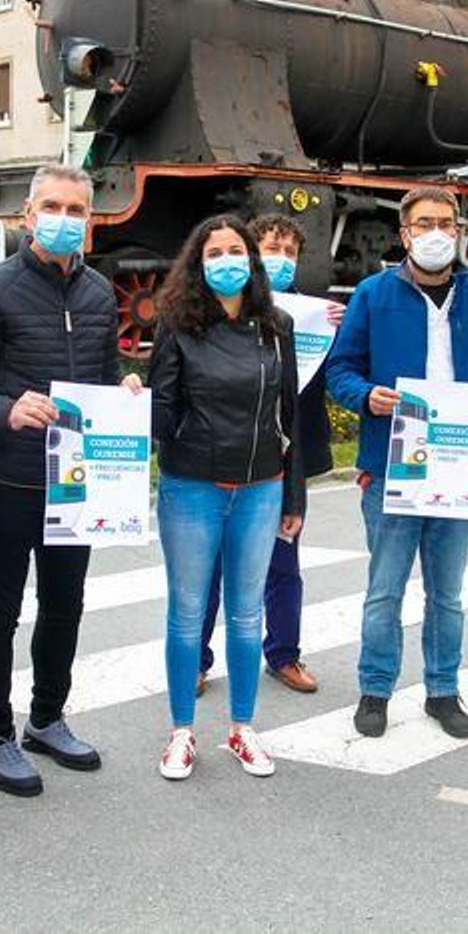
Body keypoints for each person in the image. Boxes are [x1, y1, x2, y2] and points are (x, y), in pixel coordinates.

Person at [0, 163, 137, 797]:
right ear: (28, 215)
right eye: (52, 207)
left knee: (64, 606)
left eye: (76, 210)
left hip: (74, 485)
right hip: (8, 480)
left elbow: (105, 376)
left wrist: (124, 389)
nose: (63, 219)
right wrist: (7, 411)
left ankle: (47, 718)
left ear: (90, 220)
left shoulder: (99, 293)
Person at [324, 186, 468, 740]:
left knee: (447, 595)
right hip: (393, 466)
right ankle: (375, 690)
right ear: (405, 234)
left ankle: (442, 691)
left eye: (446, 223)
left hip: (458, 467)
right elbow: (341, 369)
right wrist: (366, 396)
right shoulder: (373, 294)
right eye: (425, 223)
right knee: (385, 590)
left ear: (459, 231)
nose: (437, 233)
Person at [149, 214, 304, 780]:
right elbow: (162, 411)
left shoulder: (277, 326)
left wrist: (294, 496)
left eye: (235, 250)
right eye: (213, 253)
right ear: (197, 264)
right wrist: (133, 401)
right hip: (193, 486)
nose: (226, 262)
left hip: (261, 487)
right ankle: (181, 732)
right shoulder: (177, 324)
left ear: (251, 260)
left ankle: (242, 728)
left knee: (245, 613)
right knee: (187, 612)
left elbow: (290, 413)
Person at [196, 213, 341, 697]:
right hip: (222, 456)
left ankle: (283, 655)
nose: (280, 259)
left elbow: (328, 381)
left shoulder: (311, 316)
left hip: (283, 458)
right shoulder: (215, 311)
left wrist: (338, 333)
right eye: (271, 249)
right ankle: (196, 659)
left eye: (289, 252)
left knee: (283, 562)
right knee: (211, 567)